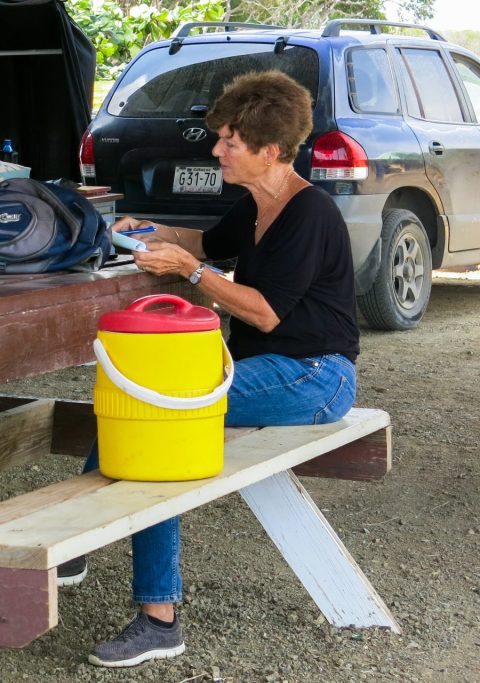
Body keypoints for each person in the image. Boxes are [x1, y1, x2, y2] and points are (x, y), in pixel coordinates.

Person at [71, 70, 360, 668]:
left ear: (271, 150)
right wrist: (145, 229)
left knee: (157, 417)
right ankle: (79, 539)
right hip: (276, 368)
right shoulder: (258, 202)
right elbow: (202, 242)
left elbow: (267, 313)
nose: (216, 150)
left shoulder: (310, 214)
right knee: (138, 402)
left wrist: (193, 275)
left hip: (315, 375)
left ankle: (159, 619)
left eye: (230, 141)